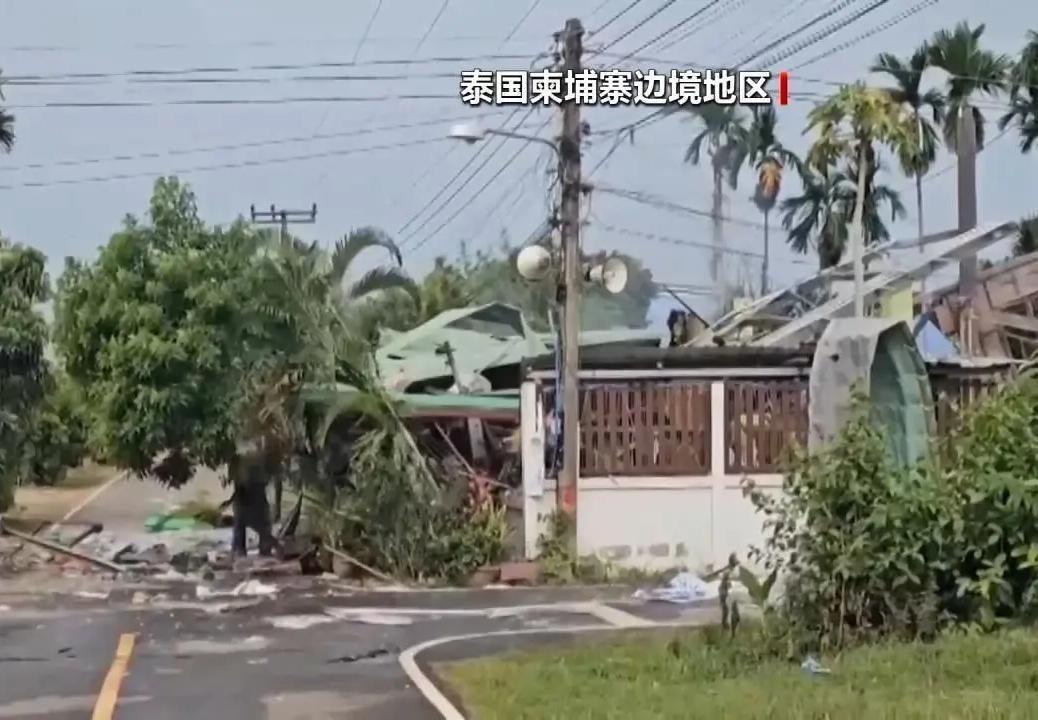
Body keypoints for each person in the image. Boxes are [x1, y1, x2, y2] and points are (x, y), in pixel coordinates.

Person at [225, 439, 276, 558]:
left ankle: (241, 550)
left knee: (242, 526)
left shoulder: (239, 460)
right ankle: (264, 549)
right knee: (262, 527)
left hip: (248, 495)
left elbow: (238, 483)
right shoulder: (258, 459)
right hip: (254, 494)